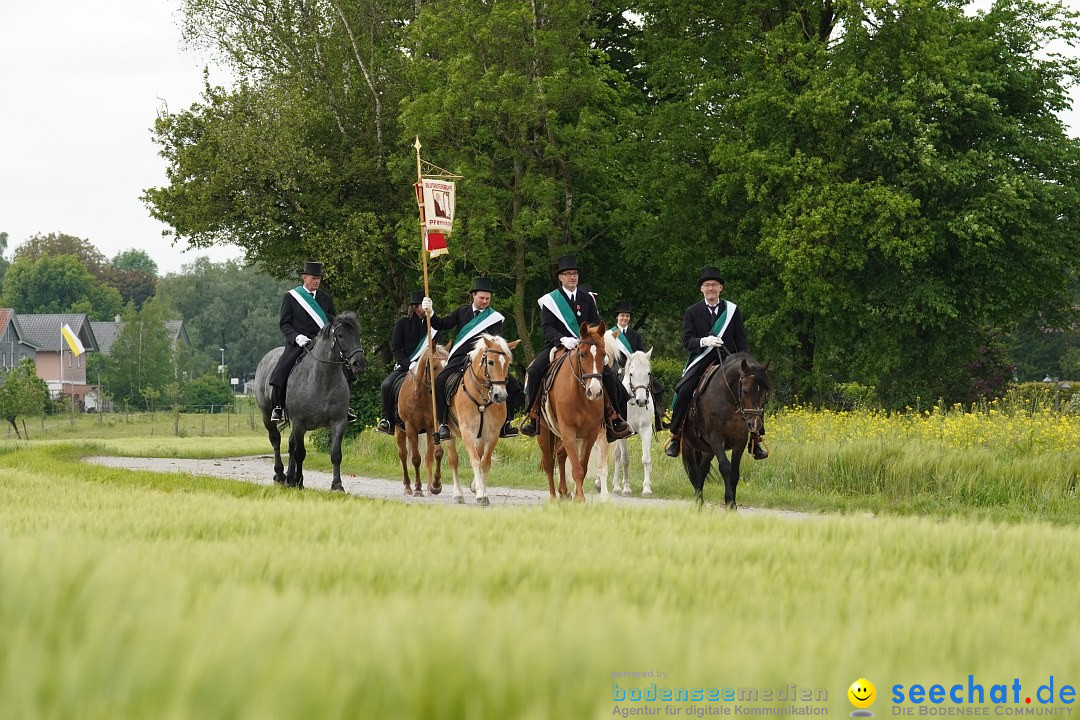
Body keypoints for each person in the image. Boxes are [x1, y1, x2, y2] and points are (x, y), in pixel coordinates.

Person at [519, 254, 631, 440]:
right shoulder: (550, 300)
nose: (572, 277)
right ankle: (533, 415)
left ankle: (615, 418)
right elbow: (547, 328)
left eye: (575, 274)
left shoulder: (587, 299)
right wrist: (562, 339)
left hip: (587, 346)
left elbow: (595, 324)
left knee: (610, 376)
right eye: (568, 274)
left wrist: (594, 343)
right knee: (534, 371)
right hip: (558, 345)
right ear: (560, 277)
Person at [664, 267, 766, 459]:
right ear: (702, 289)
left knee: (754, 390)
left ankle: (756, 440)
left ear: (720, 288)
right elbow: (687, 341)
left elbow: (741, 339)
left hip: (730, 360)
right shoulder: (692, 312)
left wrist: (746, 361)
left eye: (714, 285)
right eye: (707, 285)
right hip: (702, 359)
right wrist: (704, 341)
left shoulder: (733, 310)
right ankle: (676, 435)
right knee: (683, 389)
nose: (710, 288)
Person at [422, 277, 524, 442]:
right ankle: (443, 424)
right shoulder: (461, 312)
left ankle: (506, 423)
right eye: (481, 298)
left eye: (487, 299)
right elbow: (442, 324)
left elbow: (497, 341)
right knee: (440, 382)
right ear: (473, 296)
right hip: (461, 357)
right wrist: (431, 312)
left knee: (512, 385)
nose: (484, 301)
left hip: (484, 358)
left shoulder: (495, 317)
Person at [269, 261, 357, 423]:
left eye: (319, 278)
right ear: (304, 277)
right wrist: (297, 337)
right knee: (281, 370)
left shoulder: (326, 298)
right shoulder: (291, 297)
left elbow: (333, 321)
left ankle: (346, 407)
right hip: (299, 343)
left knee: (346, 370)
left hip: (322, 344)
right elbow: (284, 323)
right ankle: (278, 407)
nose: (317, 281)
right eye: (314, 278)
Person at [376, 290, 434, 435]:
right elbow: (395, 348)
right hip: (406, 366)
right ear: (415, 306)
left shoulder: (433, 325)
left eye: (428, 305)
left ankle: (445, 421)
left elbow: (438, 348)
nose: (426, 308)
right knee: (386, 385)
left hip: (428, 368)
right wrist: (409, 364)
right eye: (423, 305)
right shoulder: (403, 323)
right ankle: (387, 420)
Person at [609, 299, 668, 431]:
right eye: (622, 316)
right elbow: (610, 355)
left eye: (627, 316)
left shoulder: (634, 334)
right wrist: (619, 368)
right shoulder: (610, 335)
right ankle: (613, 418)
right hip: (618, 368)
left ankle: (659, 418)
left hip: (635, 368)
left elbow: (640, 351)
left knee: (657, 386)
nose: (625, 318)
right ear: (617, 317)